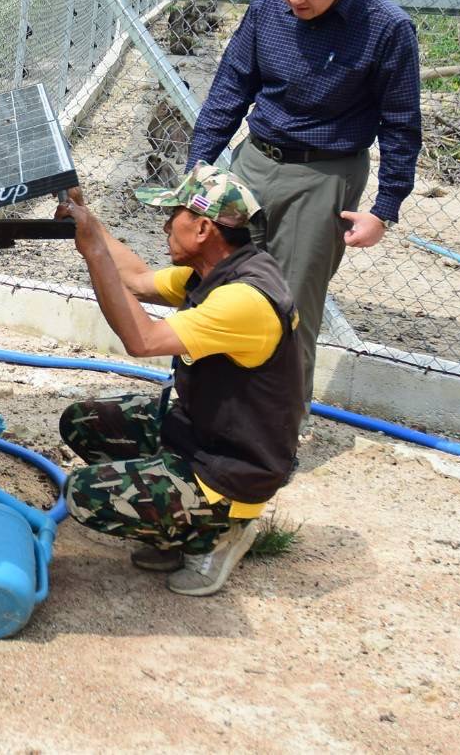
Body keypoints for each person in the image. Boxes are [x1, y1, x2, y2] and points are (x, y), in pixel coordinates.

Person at [187, 0, 421, 406]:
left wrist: (385, 209)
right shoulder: (267, 2)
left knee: (288, 308)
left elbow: (401, 123)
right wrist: (201, 164)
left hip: (325, 173)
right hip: (254, 159)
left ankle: (274, 438)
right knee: (217, 285)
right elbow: (233, 83)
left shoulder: (386, 28)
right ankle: (205, 409)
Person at [53, 163, 304, 596]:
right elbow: (135, 280)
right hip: (206, 434)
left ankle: (220, 531)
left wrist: (92, 250)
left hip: (231, 470)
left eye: (176, 215)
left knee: (83, 494)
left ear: (204, 229)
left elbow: (141, 338)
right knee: (83, 422)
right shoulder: (219, 270)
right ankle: (170, 531)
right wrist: (86, 216)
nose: (166, 223)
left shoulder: (243, 300)